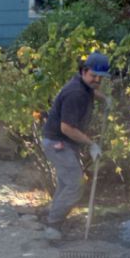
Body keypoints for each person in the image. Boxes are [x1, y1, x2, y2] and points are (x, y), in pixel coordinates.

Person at [40, 51, 110, 240]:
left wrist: (103, 98)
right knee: (75, 184)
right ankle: (53, 225)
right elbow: (67, 128)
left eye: (100, 77)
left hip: (62, 142)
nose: (96, 80)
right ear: (84, 71)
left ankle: (53, 219)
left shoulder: (83, 84)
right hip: (58, 142)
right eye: (93, 75)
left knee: (66, 183)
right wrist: (91, 144)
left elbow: (92, 90)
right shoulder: (75, 93)